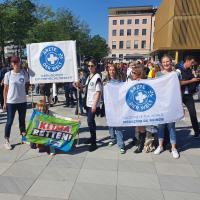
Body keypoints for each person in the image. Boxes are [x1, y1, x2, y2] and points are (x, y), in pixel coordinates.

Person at [154, 55, 179, 158]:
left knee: (171, 127)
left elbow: (178, 88)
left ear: (171, 62)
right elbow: (154, 86)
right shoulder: (158, 74)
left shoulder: (175, 74)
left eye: (167, 61)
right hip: (161, 104)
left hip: (171, 104)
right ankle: (160, 146)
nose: (166, 63)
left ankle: (173, 148)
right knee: (160, 126)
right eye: (164, 62)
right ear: (161, 63)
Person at [3, 56, 29, 150]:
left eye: (17, 62)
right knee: (9, 121)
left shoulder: (24, 73)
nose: (15, 64)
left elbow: (28, 83)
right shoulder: (8, 74)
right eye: (14, 62)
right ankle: (7, 140)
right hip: (11, 102)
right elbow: (5, 90)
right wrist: (5, 103)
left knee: (22, 121)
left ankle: (23, 137)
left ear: (20, 62)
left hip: (22, 101)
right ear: (11, 64)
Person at [176, 55, 200, 138]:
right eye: (192, 62)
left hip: (188, 95)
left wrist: (196, 79)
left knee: (193, 113)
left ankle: (197, 132)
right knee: (173, 114)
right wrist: (191, 80)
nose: (192, 64)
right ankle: (168, 135)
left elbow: (193, 80)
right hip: (179, 95)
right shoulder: (178, 70)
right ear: (187, 61)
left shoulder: (190, 70)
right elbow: (178, 82)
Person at [104, 64, 126, 154]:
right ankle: (113, 139)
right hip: (109, 106)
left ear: (115, 71)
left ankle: (121, 144)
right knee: (110, 124)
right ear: (108, 71)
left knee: (118, 125)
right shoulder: (105, 81)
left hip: (118, 106)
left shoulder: (119, 81)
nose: (111, 71)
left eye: (113, 70)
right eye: (110, 70)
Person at [84, 58, 102, 152]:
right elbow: (86, 88)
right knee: (90, 122)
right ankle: (92, 138)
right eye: (88, 66)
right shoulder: (89, 76)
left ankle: (94, 143)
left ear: (95, 66)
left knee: (90, 122)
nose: (90, 67)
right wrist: (78, 86)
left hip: (92, 104)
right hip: (88, 103)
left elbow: (98, 92)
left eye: (92, 66)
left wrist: (94, 105)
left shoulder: (97, 77)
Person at [129, 64, 147, 153]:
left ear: (139, 74)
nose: (132, 74)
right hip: (134, 107)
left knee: (141, 127)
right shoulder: (132, 81)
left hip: (141, 108)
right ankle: (137, 140)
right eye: (132, 72)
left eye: (134, 73)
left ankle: (141, 145)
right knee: (137, 126)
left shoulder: (143, 82)